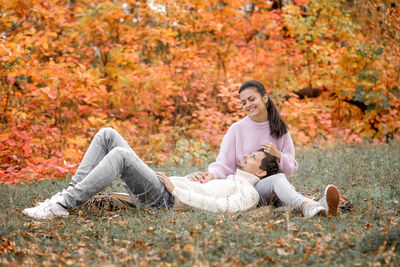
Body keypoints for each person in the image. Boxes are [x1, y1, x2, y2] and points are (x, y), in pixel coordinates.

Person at [22, 128, 339, 220]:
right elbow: (208, 190)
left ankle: (61, 205)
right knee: (107, 135)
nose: (245, 155)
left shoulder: (248, 192)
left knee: (119, 154)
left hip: (166, 200)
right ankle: (66, 197)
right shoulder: (228, 179)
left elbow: (218, 207)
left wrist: (175, 188)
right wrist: (186, 178)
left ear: (261, 168)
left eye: (253, 155)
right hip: (166, 189)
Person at [187, 80, 298, 203]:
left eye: (252, 99)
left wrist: (278, 155)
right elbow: (223, 164)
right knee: (281, 186)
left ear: (265, 98)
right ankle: (304, 203)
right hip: (244, 188)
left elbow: (291, 169)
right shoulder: (236, 129)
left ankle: (310, 204)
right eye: (244, 102)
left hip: (271, 187)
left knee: (279, 183)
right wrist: (211, 175)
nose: (248, 105)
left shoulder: (280, 129)